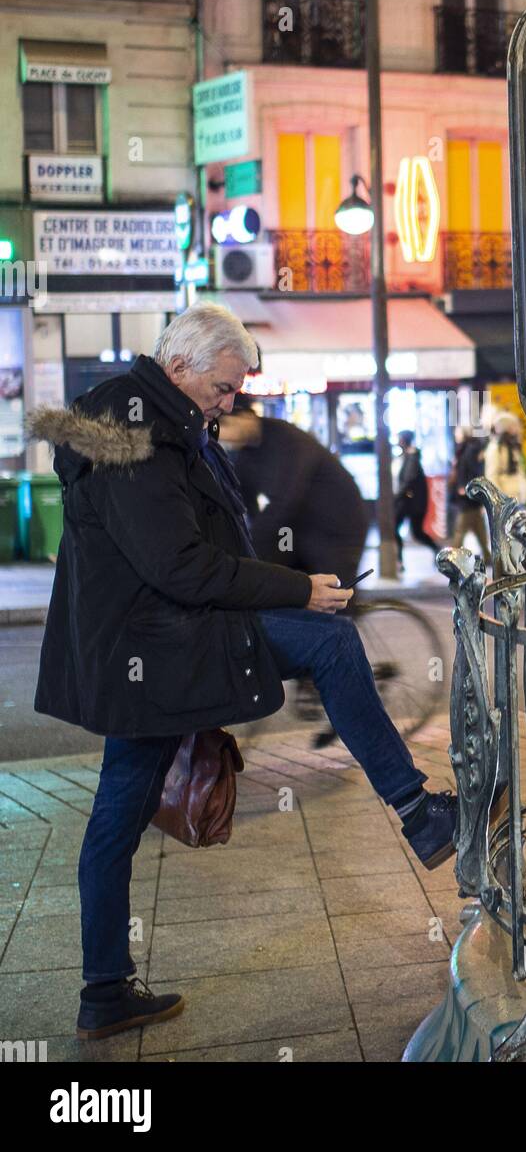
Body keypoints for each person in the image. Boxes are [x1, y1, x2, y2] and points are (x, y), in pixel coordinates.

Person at [28, 302, 457, 1042]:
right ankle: (418, 814)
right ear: (181, 365)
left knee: (117, 813)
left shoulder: (161, 420)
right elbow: (180, 565)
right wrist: (298, 589)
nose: (233, 402)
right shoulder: (137, 437)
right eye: (225, 387)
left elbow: (204, 538)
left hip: (154, 640)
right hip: (155, 644)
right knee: (327, 645)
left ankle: (104, 990)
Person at [219, 395, 368, 592]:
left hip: (338, 525)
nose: (221, 434)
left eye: (224, 425)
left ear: (246, 417)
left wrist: (254, 544)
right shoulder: (244, 454)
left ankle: (343, 619)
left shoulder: (286, 438)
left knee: (331, 593)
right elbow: (243, 502)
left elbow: (285, 501)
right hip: (296, 527)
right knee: (282, 576)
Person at [394, 429, 439, 569]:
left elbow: (408, 480)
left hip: (411, 503)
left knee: (415, 532)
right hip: (409, 502)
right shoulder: (408, 456)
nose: (398, 443)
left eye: (399, 439)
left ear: (404, 441)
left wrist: (396, 497)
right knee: (411, 531)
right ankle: (399, 560)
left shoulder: (412, 458)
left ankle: (438, 551)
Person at [450, 426, 490, 563]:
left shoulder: (469, 450)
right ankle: (489, 557)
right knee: (479, 529)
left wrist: (464, 487)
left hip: (467, 498)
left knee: (460, 530)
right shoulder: (464, 449)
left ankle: (451, 558)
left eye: (458, 431)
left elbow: (472, 472)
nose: (456, 434)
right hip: (469, 499)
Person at [484, 413, 526, 505]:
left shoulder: (513, 446)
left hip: (517, 498)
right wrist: (502, 500)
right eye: (514, 426)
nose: (518, 429)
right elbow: (492, 476)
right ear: (507, 427)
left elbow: (520, 471)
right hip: (506, 502)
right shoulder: (495, 448)